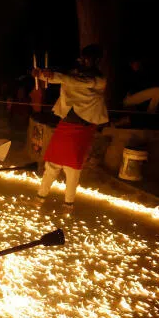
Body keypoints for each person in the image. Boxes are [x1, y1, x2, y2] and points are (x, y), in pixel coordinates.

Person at [34, 44, 108, 207]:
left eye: (89, 59)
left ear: (97, 61)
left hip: (82, 127)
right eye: (84, 58)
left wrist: (53, 75)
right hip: (67, 123)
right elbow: (61, 78)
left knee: (72, 167)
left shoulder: (98, 80)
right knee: (52, 164)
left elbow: (71, 80)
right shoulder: (76, 73)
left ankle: (68, 204)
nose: (85, 61)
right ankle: (40, 198)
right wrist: (42, 75)